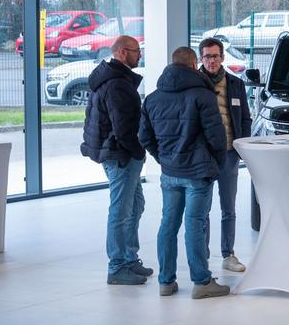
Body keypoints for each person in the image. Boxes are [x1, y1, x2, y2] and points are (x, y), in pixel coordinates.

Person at [138, 46, 229, 299]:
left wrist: (163, 158)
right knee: (195, 225)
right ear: (193, 65)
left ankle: (166, 282)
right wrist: (216, 162)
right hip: (198, 172)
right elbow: (216, 137)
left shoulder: (152, 98)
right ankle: (201, 282)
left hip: (170, 172)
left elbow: (144, 137)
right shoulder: (203, 95)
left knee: (168, 224)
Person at [80, 34, 151, 285]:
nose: (139, 54)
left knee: (135, 206)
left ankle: (129, 258)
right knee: (120, 211)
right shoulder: (117, 84)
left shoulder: (114, 79)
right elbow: (123, 128)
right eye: (136, 50)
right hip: (120, 155)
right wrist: (138, 151)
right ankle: (118, 266)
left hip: (118, 153)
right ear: (121, 52)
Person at [197, 38, 252, 274]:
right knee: (202, 210)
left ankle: (228, 254)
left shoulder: (235, 84)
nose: (211, 61)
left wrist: (242, 146)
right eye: (207, 56)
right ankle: (202, 257)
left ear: (222, 57)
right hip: (204, 157)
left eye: (215, 56)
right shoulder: (194, 84)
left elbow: (245, 118)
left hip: (229, 155)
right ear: (201, 58)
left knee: (228, 208)